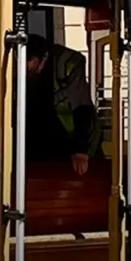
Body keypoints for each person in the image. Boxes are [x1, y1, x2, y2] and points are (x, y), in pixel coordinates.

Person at [25, 34, 98, 175]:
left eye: (28, 68)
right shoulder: (25, 73)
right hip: (40, 144)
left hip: (76, 140)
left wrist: (80, 150)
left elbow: (81, 107)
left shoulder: (68, 64)